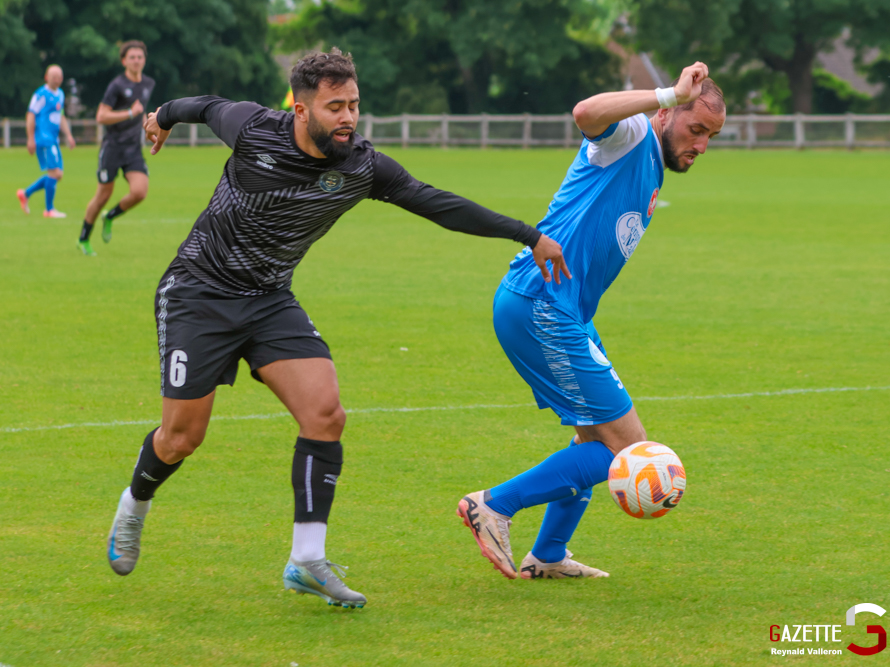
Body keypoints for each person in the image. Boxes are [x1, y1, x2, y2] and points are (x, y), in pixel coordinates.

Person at [105, 48, 569, 609]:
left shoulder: (363, 167)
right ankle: (134, 505)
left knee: (326, 414)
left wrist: (528, 234)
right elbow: (201, 105)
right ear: (301, 110)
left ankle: (306, 559)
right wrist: (161, 117)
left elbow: (437, 204)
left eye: (353, 104)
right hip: (198, 293)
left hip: (269, 299)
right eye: (334, 107)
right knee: (182, 437)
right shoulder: (254, 127)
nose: (348, 117)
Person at [457, 62, 725, 580]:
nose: (702, 145)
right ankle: (493, 505)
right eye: (696, 129)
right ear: (669, 114)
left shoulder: (652, 164)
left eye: (712, 136)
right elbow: (585, 113)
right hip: (540, 305)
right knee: (628, 449)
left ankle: (549, 555)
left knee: (593, 443)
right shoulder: (628, 137)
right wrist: (665, 93)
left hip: (564, 312)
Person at [77, 40, 155, 256]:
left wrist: (149, 130)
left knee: (140, 192)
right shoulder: (117, 85)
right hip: (112, 148)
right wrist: (129, 112)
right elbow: (101, 116)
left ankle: (110, 216)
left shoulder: (148, 84)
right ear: (124, 61)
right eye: (132, 57)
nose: (136, 60)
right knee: (103, 195)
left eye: (140, 57)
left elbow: (141, 113)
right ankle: (83, 239)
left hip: (133, 149)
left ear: (144, 60)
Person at [16, 65, 76, 218]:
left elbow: (60, 116)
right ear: (46, 77)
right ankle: (49, 210)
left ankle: (26, 193)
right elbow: (30, 115)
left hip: (53, 139)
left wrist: (68, 135)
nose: (57, 80)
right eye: (53, 77)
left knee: (58, 174)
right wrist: (30, 138)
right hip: (43, 139)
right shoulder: (41, 94)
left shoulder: (60, 94)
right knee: (55, 173)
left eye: (59, 77)